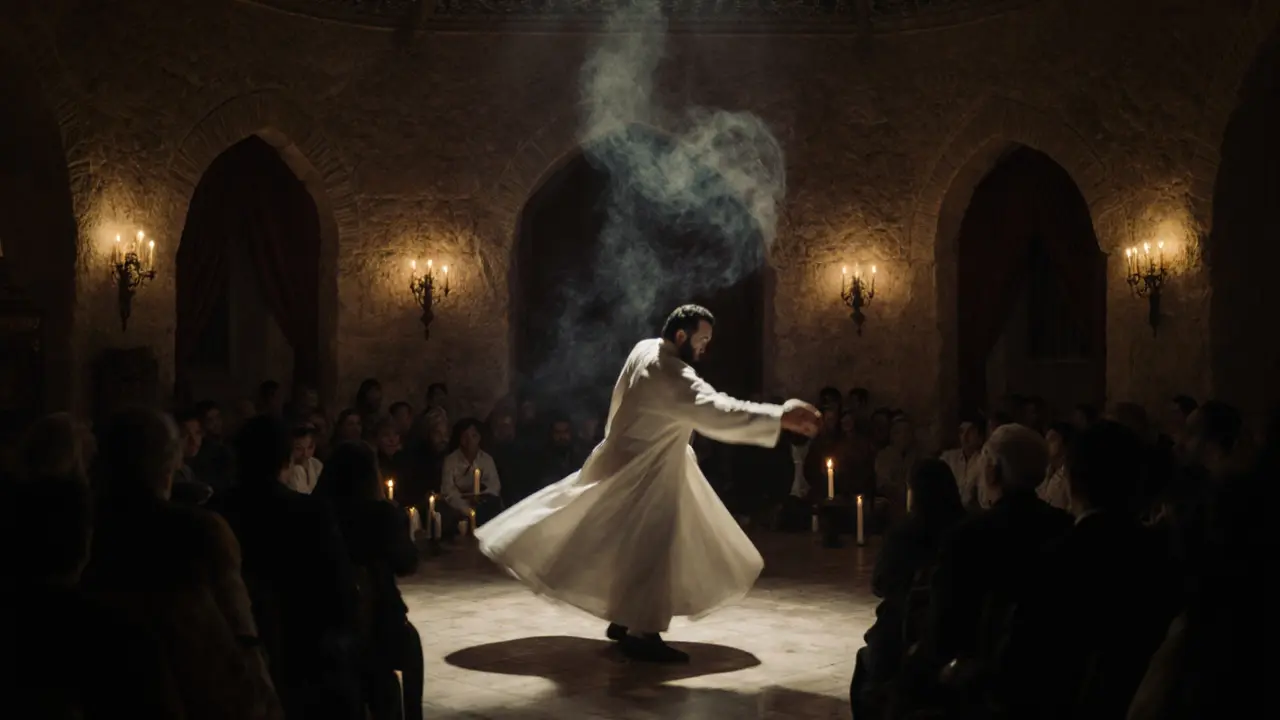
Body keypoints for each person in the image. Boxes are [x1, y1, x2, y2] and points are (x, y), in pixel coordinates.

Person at [476, 304, 821, 663]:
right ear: (681, 336)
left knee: (631, 548)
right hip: (648, 473)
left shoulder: (645, 348)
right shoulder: (673, 374)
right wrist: (781, 417)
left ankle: (627, 620)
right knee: (653, 550)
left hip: (629, 461)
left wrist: (617, 442)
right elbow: (720, 411)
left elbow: (621, 397)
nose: (705, 347)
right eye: (702, 339)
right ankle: (642, 632)